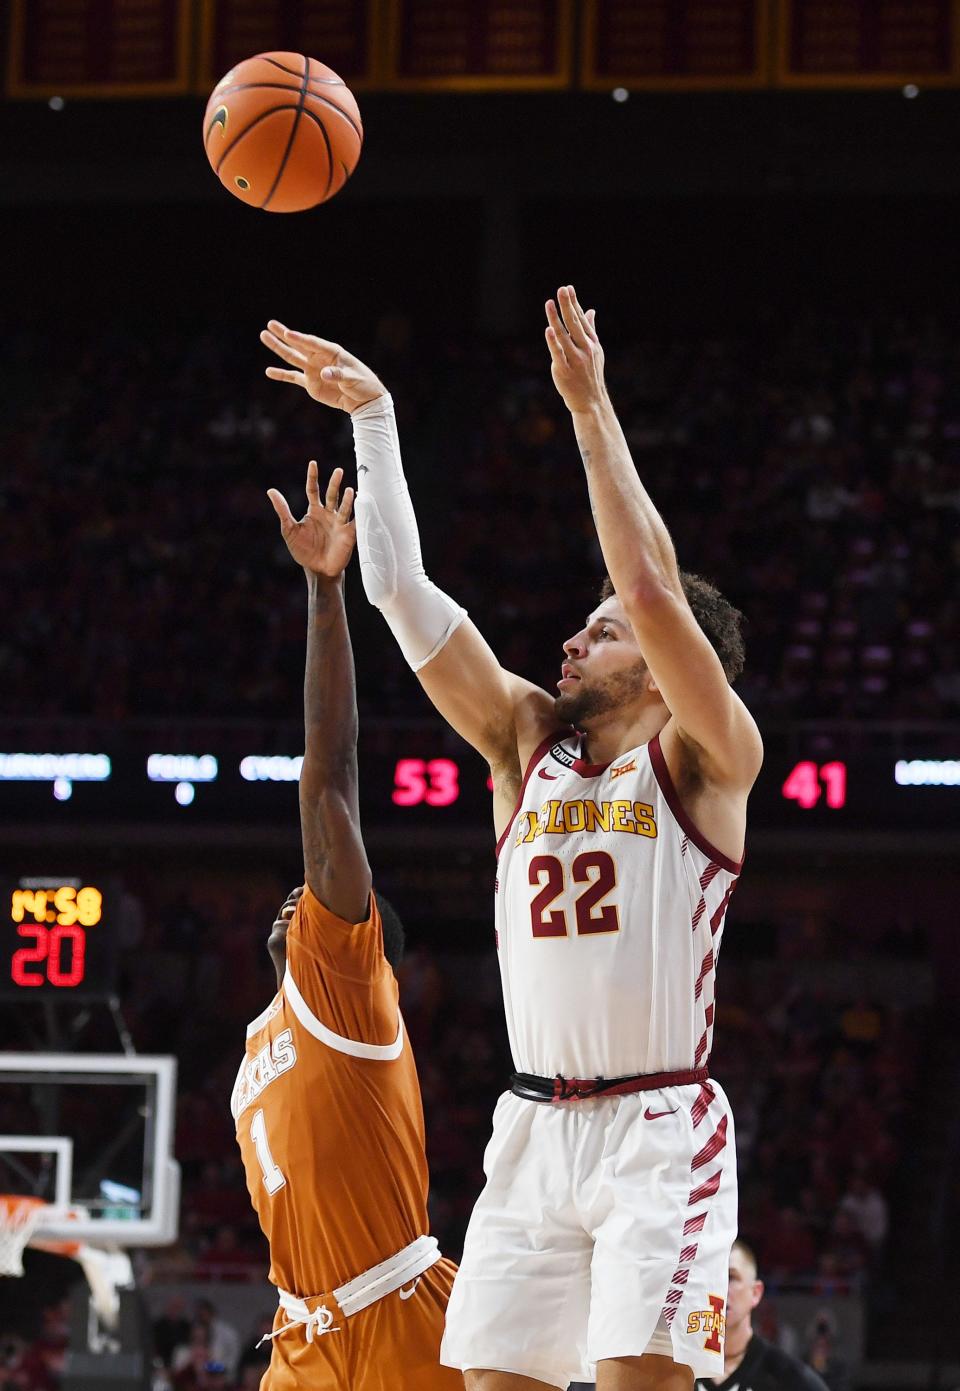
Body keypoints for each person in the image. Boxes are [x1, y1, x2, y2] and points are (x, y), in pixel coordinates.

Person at [261, 285, 763, 1390]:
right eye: (582, 625)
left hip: (656, 1126)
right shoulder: (523, 740)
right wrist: (377, 417)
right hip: (533, 1123)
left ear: (672, 666)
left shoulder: (705, 755)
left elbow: (648, 581)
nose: (575, 638)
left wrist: (590, 411)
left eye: (604, 632)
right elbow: (397, 590)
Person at [231, 460, 461, 1389]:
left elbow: (327, 779)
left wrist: (327, 593)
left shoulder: (348, 988)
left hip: (397, 1323)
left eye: (321, 897)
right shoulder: (258, 1039)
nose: (302, 894)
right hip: (299, 1337)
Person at [694, 1241, 831, 1391]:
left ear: (756, 1293)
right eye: (712, 1277)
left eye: (731, 1277)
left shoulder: (788, 1376)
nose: (719, 1288)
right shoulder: (677, 1366)